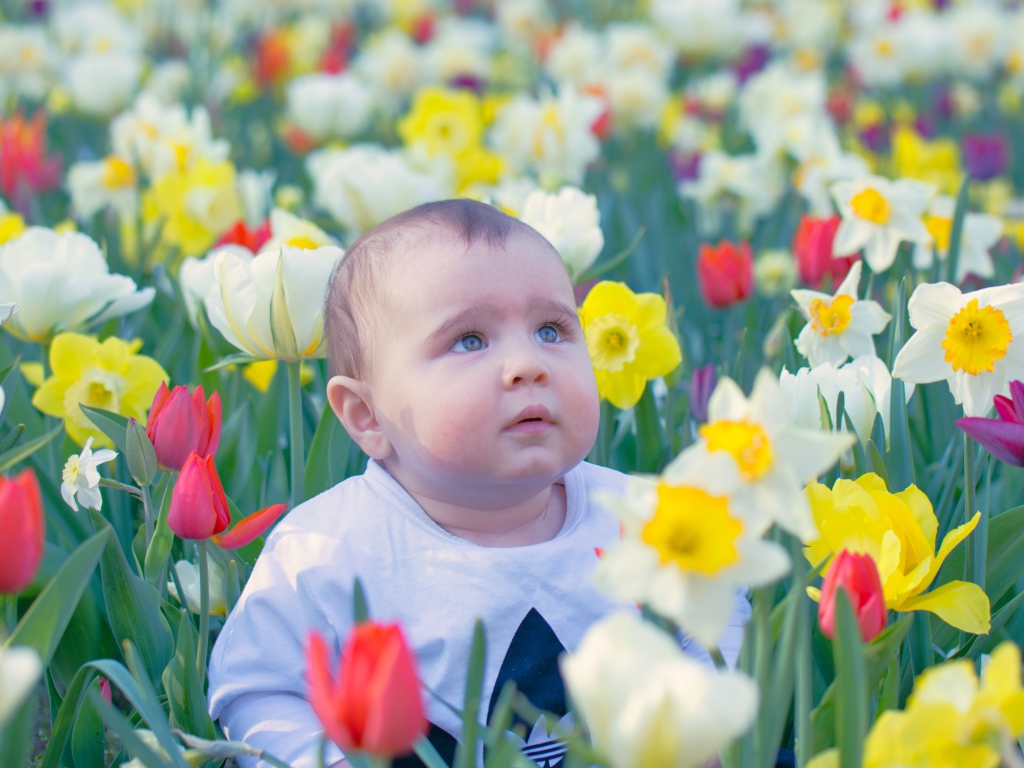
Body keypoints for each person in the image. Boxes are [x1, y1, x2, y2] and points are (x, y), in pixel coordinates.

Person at [207, 199, 750, 768]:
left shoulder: (643, 516)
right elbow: (255, 692)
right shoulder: (325, 552)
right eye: (470, 340)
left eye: (551, 329)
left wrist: (705, 728)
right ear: (367, 416)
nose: (528, 363)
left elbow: (718, 619)